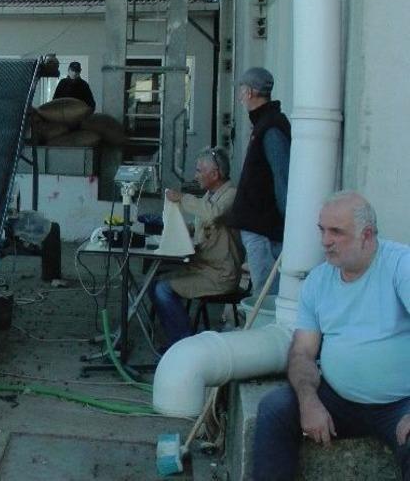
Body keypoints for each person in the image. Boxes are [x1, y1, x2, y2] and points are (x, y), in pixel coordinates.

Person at [252, 191, 409, 481]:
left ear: (367, 235)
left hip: (400, 403)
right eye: (322, 230)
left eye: (336, 232)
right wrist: (308, 400)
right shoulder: (318, 281)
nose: (325, 241)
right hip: (340, 399)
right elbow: (302, 352)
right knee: (274, 409)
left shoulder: (401, 266)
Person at [150, 147, 243, 347]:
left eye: (200, 171)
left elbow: (212, 214)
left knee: (162, 290)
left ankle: (184, 343)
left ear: (215, 174)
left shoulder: (231, 195)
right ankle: (176, 335)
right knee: (154, 282)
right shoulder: (210, 195)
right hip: (203, 267)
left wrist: (182, 198)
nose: (196, 175)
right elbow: (204, 227)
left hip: (220, 275)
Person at [227, 67, 290, 293]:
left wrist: (288, 225)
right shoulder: (266, 124)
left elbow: (281, 178)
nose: (240, 96)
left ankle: (267, 327)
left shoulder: (271, 128)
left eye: (242, 90)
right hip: (261, 224)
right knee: (264, 288)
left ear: (251, 92)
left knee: (265, 293)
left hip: (263, 227)